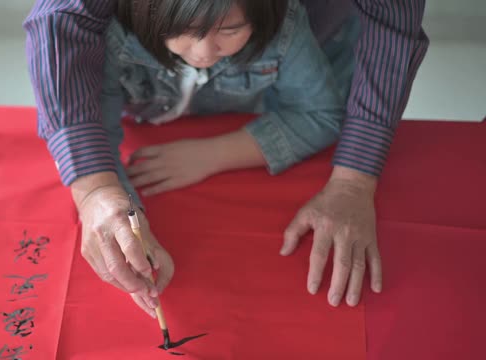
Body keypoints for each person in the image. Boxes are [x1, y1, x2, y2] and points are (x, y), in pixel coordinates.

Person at [24, 0, 428, 312]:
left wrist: (215, 154)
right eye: (184, 31)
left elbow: (322, 110)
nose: (203, 52)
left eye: (231, 30)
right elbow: (62, 23)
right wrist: (99, 194)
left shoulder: (286, 31)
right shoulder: (116, 38)